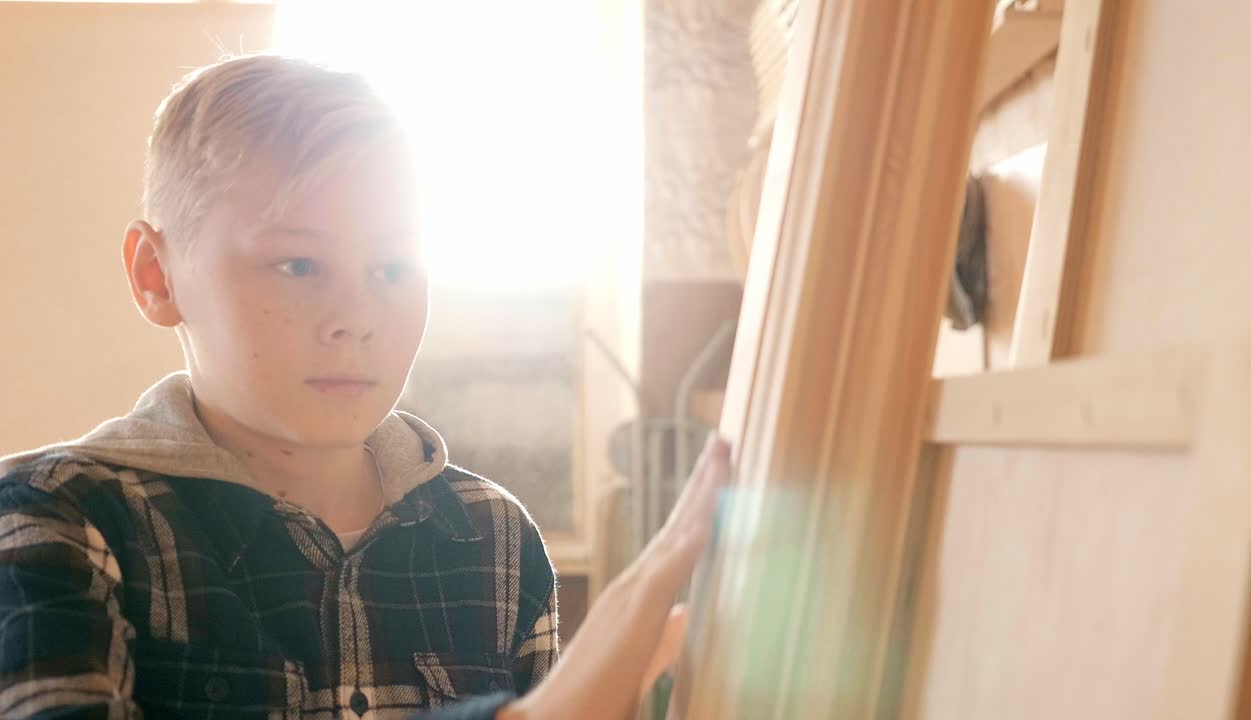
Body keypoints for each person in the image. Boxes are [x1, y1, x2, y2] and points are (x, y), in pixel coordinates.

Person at [0, 53, 731, 719]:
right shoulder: (54, 517)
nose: (355, 319)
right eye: (298, 265)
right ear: (156, 276)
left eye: (393, 268)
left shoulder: (494, 534)